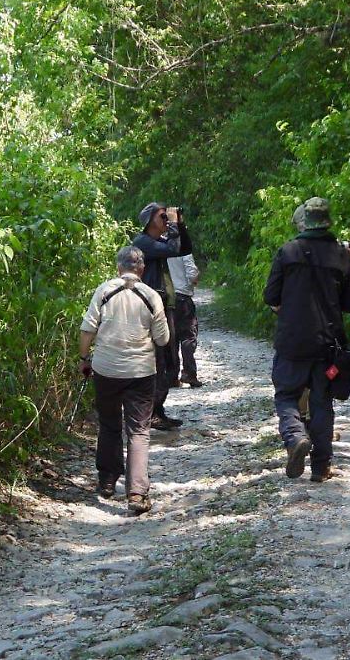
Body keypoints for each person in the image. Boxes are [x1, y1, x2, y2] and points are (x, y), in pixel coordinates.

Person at [263, 197, 350, 483]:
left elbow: (270, 296)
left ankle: (294, 438)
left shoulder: (288, 251)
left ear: (304, 220)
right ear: (328, 221)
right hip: (328, 343)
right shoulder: (343, 255)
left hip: (292, 340)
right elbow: (349, 304)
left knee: (287, 394)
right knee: (322, 403)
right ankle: (321, 467)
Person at [78, 246, 170, 514]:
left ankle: (107, 481)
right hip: (141, 371)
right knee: (139, 430)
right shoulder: (151, 295)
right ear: (141, 268)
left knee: (108, 423)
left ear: (119, 267)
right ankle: (137, 493)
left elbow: (87, 330)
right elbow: (163, 338)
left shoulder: (104, 290)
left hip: (106, 369)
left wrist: (84, 359)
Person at [132, 202, 194, 430]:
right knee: (157, 360)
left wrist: (181, 225)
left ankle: (158, 411)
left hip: (163, 306)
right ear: (149, 221)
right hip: (150, 310)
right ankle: (151, 413)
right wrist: (174, 227)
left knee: (168, 359)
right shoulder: (142, 243)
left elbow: (184, 249)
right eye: (162, 217)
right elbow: (173, 249)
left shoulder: (154, 242)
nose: (166, 220)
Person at [167, 252, 202, 388]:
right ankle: (189, 373)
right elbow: (192, 275)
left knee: (170, 339)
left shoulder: (160, 248)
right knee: (188, 337)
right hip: (183, 298)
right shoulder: (184, 251)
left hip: (166, 299)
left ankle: (171, 376)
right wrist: (196, 277)